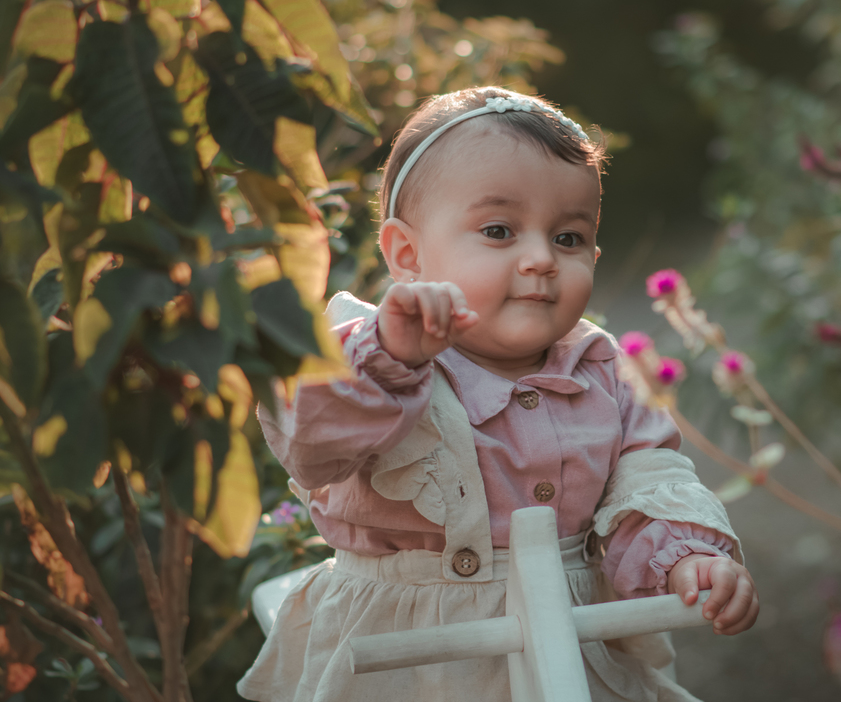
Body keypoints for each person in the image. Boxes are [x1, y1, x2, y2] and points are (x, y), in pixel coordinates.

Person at [237, 87, 758, 702]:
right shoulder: (376, 356)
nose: (540, 259)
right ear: (407, 254)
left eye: (567, 238)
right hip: (408, 661)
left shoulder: (602, 369)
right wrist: (393, 356)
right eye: (498, 230)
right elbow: (311, 442)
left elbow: (646, 472)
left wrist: (684, 557)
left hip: (568, 649)